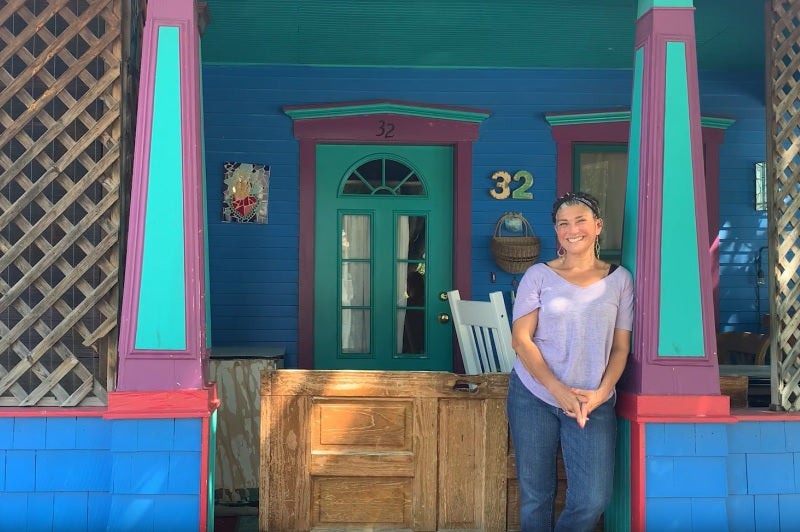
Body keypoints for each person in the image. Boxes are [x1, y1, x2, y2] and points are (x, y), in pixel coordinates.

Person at [507, 191, 634, 532]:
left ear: (597, 226)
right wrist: (558, 390)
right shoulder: (538, 275)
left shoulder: (620, 280)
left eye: (580, 221)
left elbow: (621, 347)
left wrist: (601, 393)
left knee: (593, 497)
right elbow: (521, 339)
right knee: (535, 494)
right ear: (556, 232)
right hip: (534, 395)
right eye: (563, 223)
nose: (572, 229)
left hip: (593, 400)